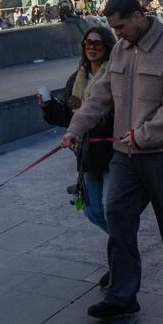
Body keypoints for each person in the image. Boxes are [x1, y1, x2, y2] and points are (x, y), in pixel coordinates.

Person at [61, 0, 163, 320]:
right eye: (113, 28)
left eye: (120, 26)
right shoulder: (121, 50)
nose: (117, 34)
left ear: (138, 16)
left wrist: (144, 135)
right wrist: (76, 128)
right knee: (118, 218)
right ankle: (122, 295)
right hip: (124, 155)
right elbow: (100, 95)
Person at [41, 26, 117, 248]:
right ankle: (123, 244)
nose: (91, 48)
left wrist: (87, 121)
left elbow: (119, 114)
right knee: (91, 211)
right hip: (88, 155)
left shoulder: (115, 75)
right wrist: (49, 106)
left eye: (97, 43)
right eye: (87, 43)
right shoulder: (77, 78)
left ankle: (122, 252)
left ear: (107, 47)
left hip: (112, 153)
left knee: (110, 209)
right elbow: (69, 116)